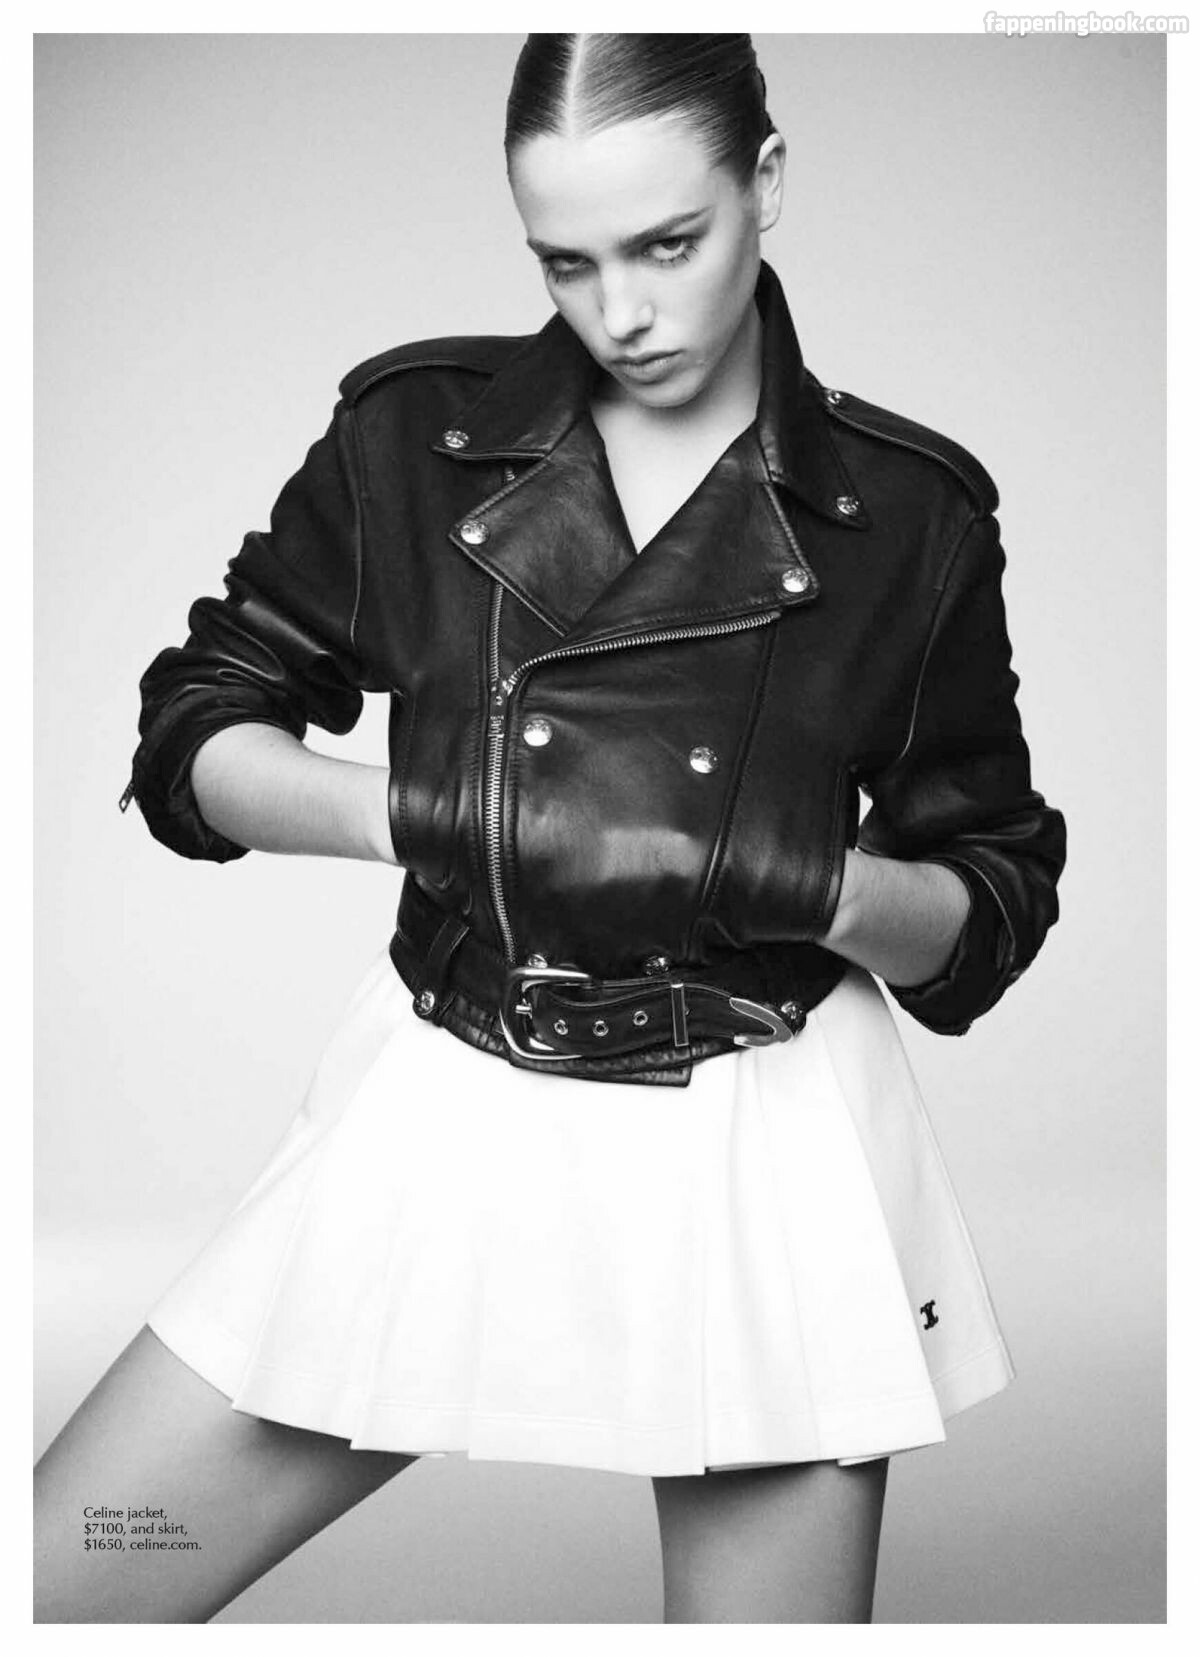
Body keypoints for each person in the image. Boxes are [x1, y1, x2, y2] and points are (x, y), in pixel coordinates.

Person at [34, 34, 1066, 1624]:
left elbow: (988, 899)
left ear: (766, 182)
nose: (621, 312)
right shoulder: (417, 435)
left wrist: (803, 882)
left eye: (668, 242)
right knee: (59, 1581)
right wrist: (439, 814)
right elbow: (194, 734)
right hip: (448, 1086)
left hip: (758, 1143)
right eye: (565, 261)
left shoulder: (907, 515)